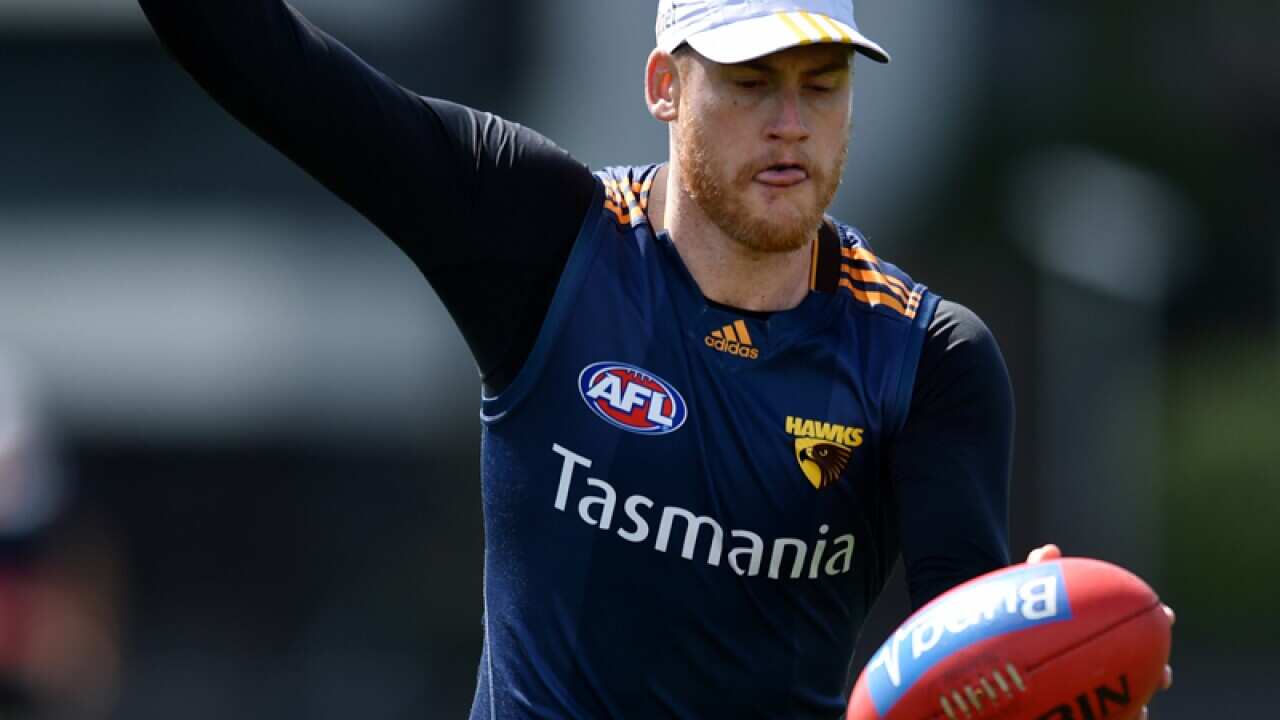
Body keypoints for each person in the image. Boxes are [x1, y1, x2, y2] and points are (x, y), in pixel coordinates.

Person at [136, 0, 1171, 717]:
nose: (788, 125)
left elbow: (955, 663)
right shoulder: (547, 237)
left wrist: (1035, 667)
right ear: (662, 86)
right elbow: (261, 58)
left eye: (821, 86)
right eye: (749, 81)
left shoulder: (924, 355)